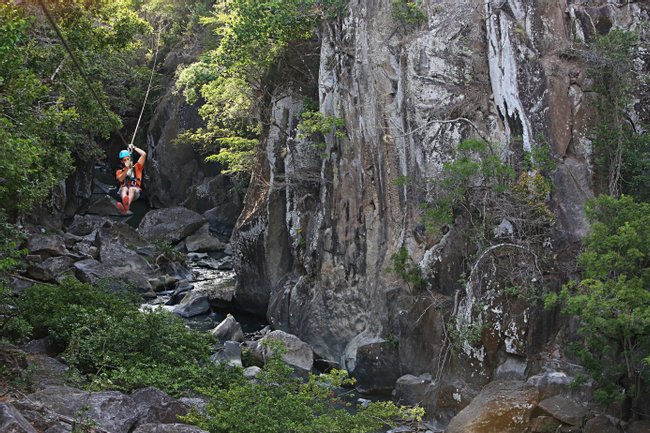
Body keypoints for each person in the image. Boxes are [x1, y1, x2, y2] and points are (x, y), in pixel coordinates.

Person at [115, 144, 146, 215]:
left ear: (130, 158)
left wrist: (134, 147)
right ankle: (125, 205)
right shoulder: (119, 171)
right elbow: (120, 179)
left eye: (128, 159)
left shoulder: (137, 167)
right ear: (122, 162)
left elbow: (143, 154)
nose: (126, 161)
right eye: (124, 160)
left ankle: (126, 206)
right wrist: (127, 169)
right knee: (124, 188)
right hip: (124, 191)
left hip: (135, 191)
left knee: (131, 189)